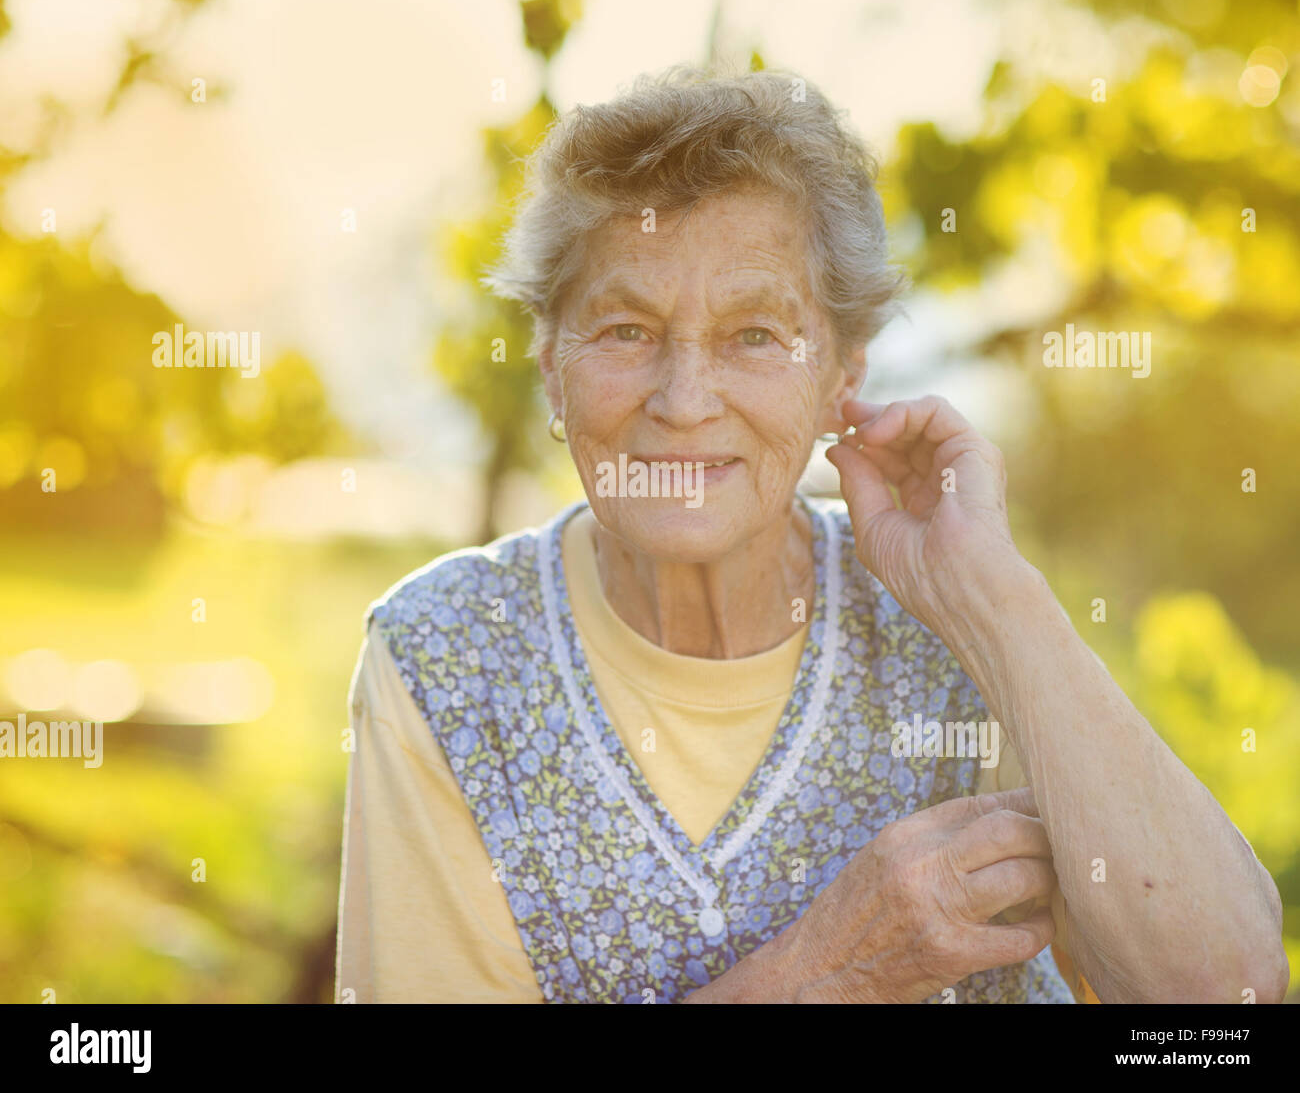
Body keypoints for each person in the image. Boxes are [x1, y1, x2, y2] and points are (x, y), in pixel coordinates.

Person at [334, 65, 1287, 1004]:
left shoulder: (953, 617)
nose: (683, 401)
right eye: (625, 329)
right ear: (552, 366)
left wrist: (997, 600)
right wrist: (835, 973)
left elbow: (1223, 1000)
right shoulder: (447, 657)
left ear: (841, 376)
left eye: (754, 336)